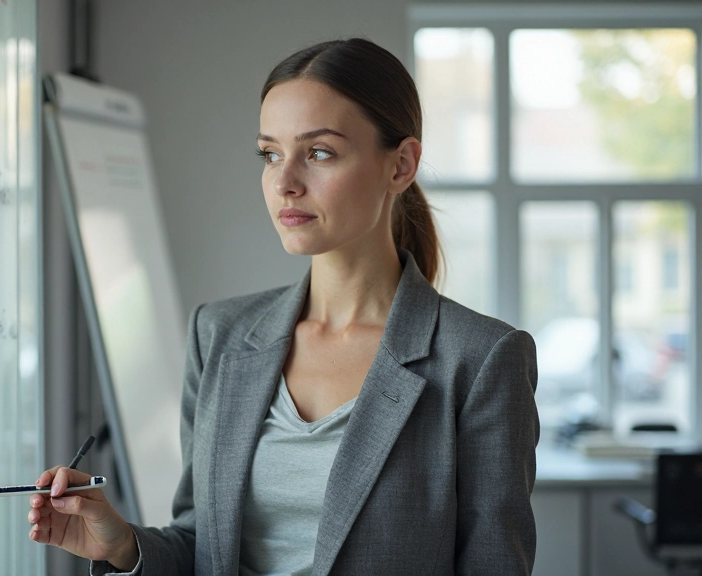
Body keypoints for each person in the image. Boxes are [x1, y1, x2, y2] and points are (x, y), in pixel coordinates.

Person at [28, 37, 539, 575]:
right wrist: (123, 546)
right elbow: (201, 544)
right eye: (270, 154)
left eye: (319, 153)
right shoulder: (220, 336)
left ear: (401, 165)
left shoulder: (480, 360)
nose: (285, 182)